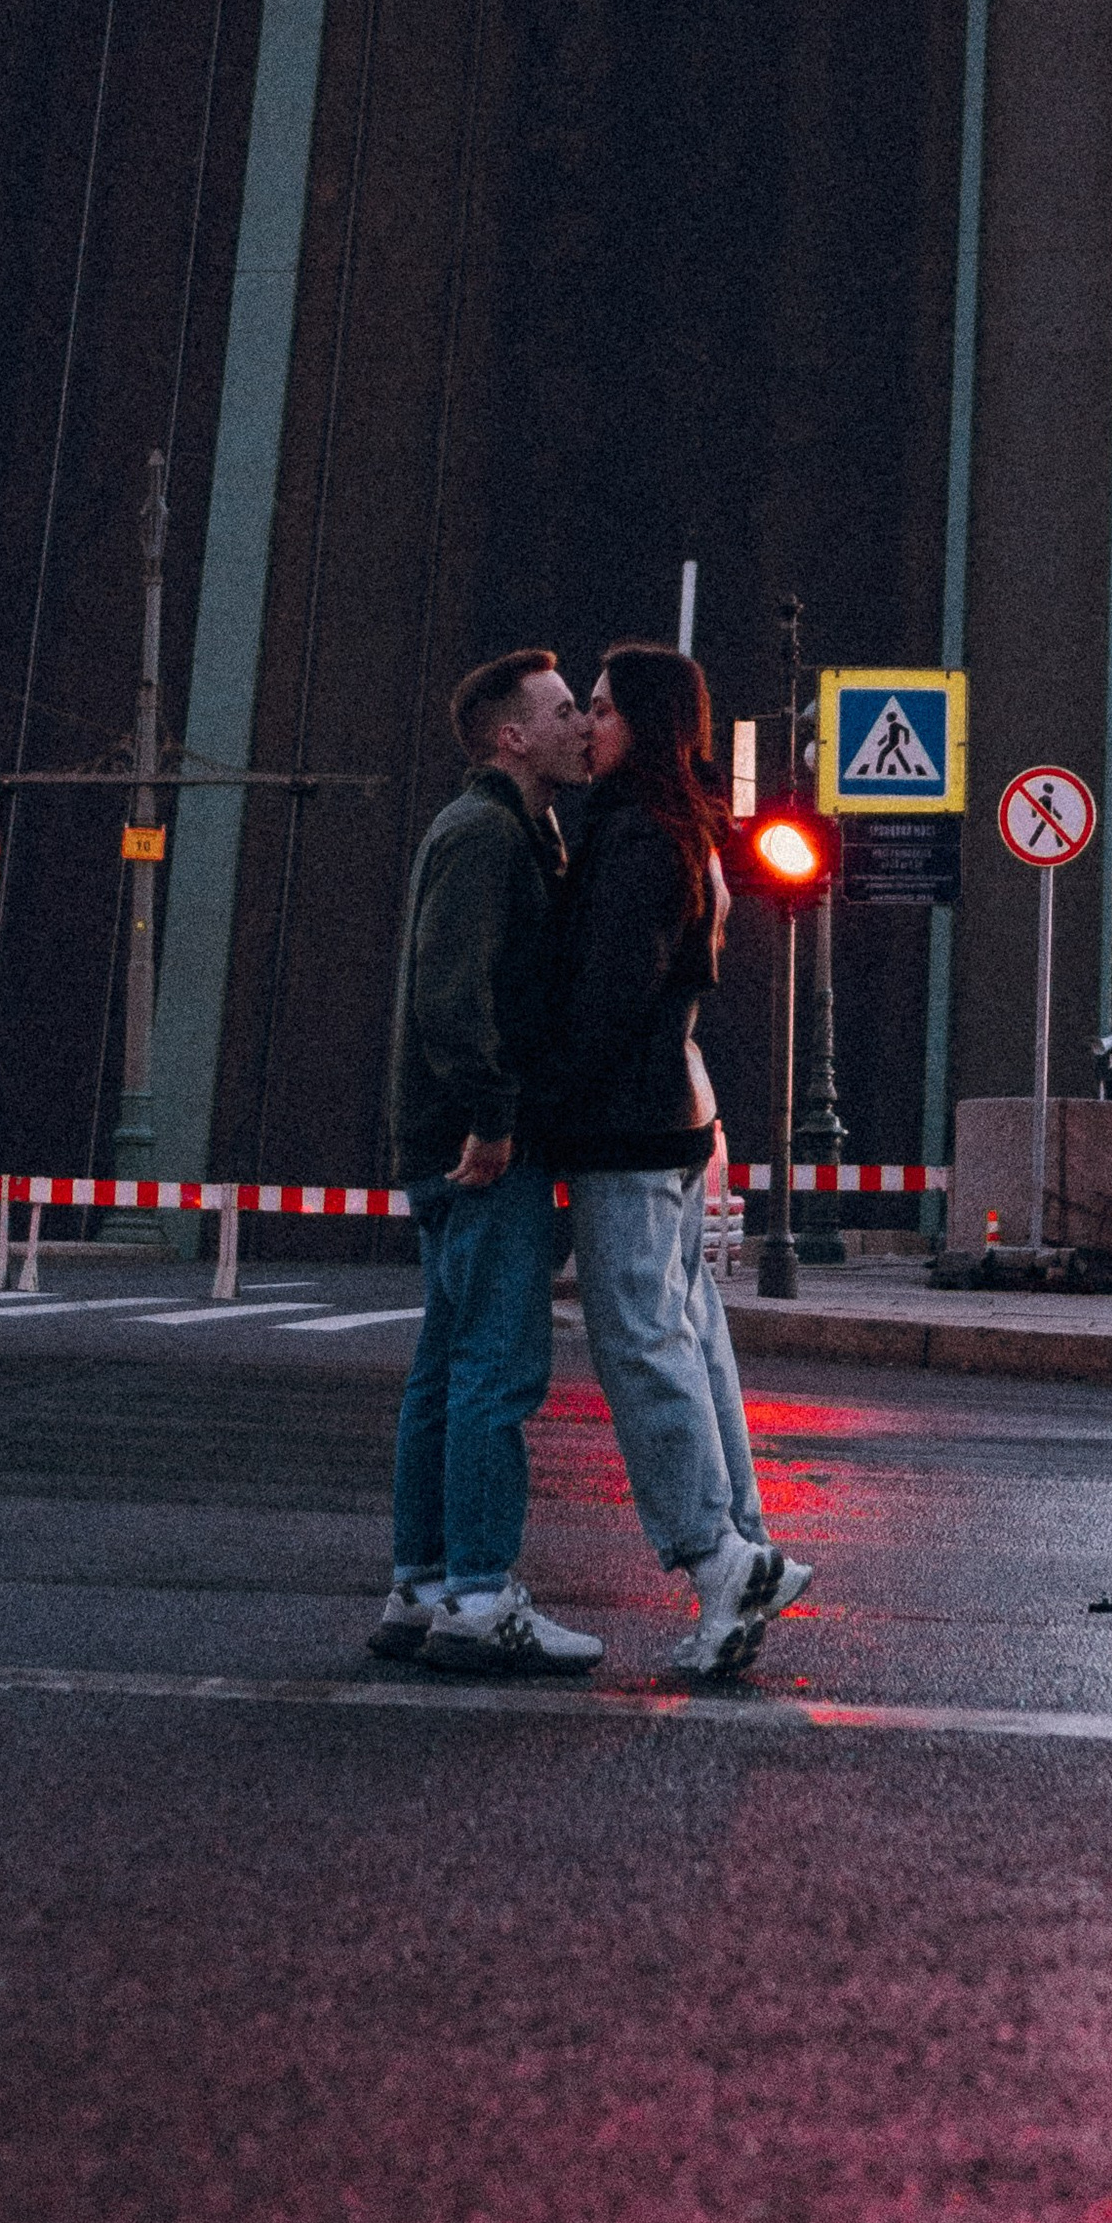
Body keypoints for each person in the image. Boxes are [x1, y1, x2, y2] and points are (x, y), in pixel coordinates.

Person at [536, 643, 814, 1681]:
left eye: (602, 709)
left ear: (643, 724)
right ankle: (740, 1551)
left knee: (640, 1342)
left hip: (631, 1125)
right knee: (690, 1339)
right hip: (672, 1115)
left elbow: (604, 1000)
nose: (589, 724)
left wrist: (544, 1111)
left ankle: (716, 1555)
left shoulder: (634, 837)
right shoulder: (680, 831)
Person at [379, 648, 603, 1677]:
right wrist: (492, 1116)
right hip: (476, 1149)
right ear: (512, 737)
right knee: (495, 1373)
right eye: (563, 713)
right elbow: (447, 991)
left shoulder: (513, 828)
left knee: (444, 1370)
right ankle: (479, 1596)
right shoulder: (483, 834)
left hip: (449, 1140)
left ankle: (421, 1588)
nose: (580, 726)